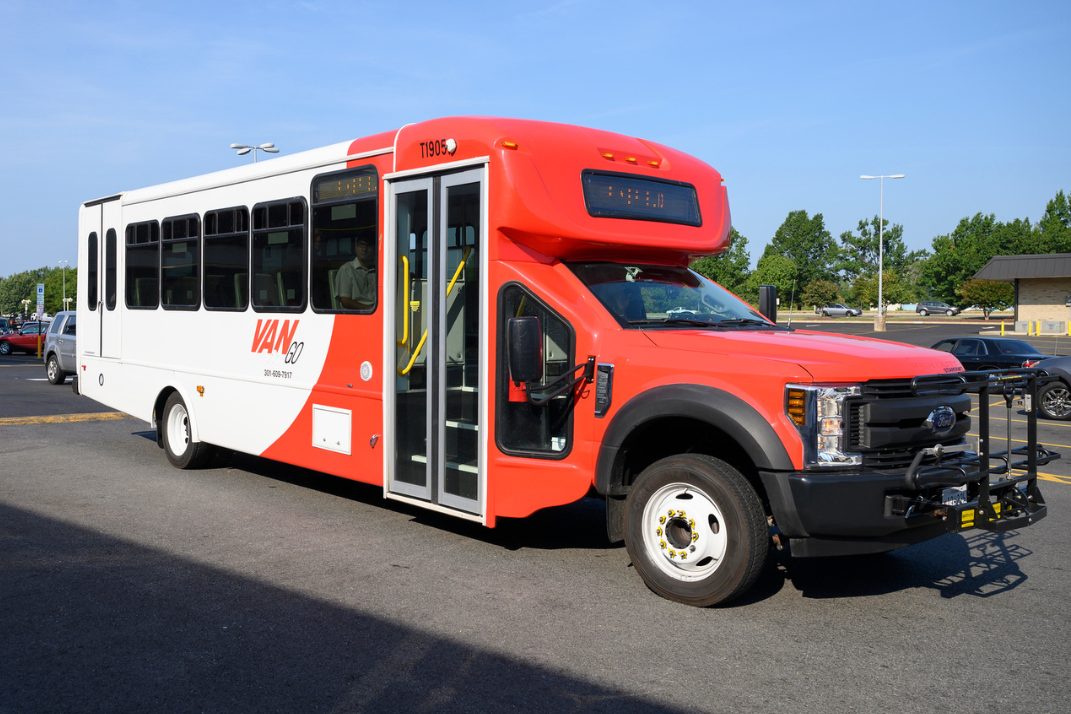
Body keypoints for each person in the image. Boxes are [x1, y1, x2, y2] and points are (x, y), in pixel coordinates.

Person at [336, 234, 376, 309]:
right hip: (356, 314)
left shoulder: (378, 270)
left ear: (373, 249)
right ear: (356, 247)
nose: (364, 249)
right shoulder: (346, 269)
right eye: (361, 245)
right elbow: (345, 301)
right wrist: (370, 309)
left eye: (368, 245)